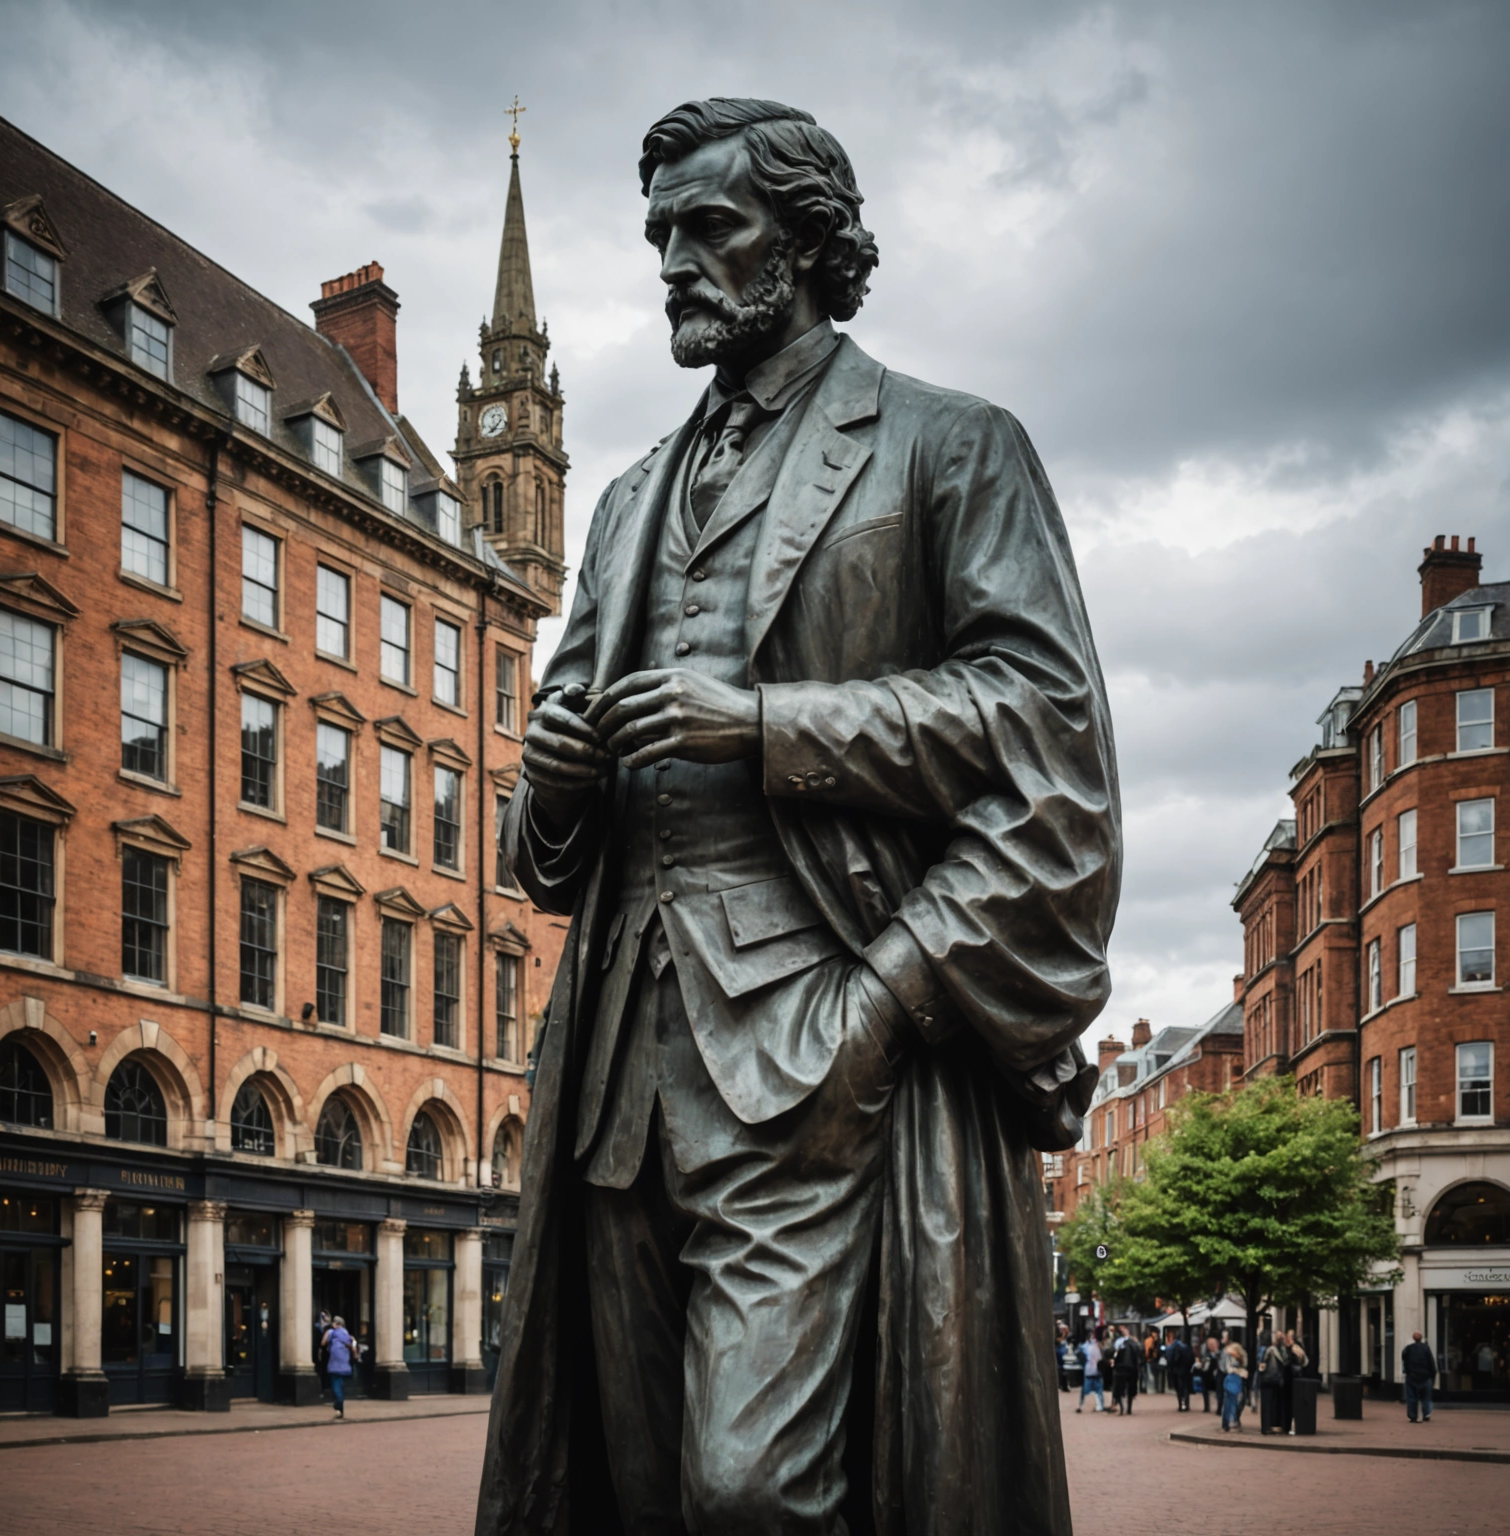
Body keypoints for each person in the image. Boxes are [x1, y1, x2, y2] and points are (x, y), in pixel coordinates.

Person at [476, 96, 1120, 1536]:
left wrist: (772, 738)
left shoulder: (951, 449)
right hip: (615, 1084)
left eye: (712, 227)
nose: (675, 263)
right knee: (638, 1494)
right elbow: (539, 859)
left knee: (750, 1493)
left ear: (812, 243)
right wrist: (560, 776)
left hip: (817, 1037)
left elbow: (1048, 744)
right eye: (660, 236)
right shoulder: (629, 500)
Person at [321, 1314, 356, 1420]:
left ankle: (339, 1406)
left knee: (336, 1385)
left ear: (336, 1324)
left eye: (334, 1323)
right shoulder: (347, 1334)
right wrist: (354, 1354)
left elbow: (323, 1343)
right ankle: (338, 1404)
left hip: (334, 1364)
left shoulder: (331, 1332)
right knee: (340, 1384)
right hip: (345, 1364)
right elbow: (353, 1344)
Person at [1401, 1330, 1436, 1423]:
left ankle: (1413, 1416)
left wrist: (1407, 1371)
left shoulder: (1408, 1348)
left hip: (1412, 1376)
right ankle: (1426, 1414)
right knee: (1426, 1397)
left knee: (1412, 1397)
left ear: (1413, 1338)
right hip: (1425, 1376)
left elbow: (1404, 1360)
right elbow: (1431, 1363)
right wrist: (1432, 1376)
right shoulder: (1426, 1348)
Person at [1113, 1327, 1143, 1416]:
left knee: (1119, 1388)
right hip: (1132, 1368)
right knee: (1130, 1389)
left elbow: (1116, 1355)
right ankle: (1128, 1408)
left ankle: (1123, 1407)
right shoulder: (1134, 1343)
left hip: (1122, 1369)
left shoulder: (1121, 1344)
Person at [1220, 1342, 1248, 1431]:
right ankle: (1230, 1422)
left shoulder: (1234, 1356)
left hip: (1233, 1380)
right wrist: (1239, 1371)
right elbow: (1228, 1369)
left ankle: (1227, 1422)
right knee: (1232, 1401)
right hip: (1233, 1379)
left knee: (1231, 1401)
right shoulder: (1228, 1355)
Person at [1166, 1330, 1194, 1411]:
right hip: (1186, 1370)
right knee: (1185, 1388)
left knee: (1179, 1389)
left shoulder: (1172, 1347)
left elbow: (1170, 1359)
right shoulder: (1186, 1346)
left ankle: (1181, 1405)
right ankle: (1186, 1405)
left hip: (1177, 1370)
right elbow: (1191, 1358)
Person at [1078, 1334, 1106, 1413]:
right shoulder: (1094, 1348)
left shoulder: (1085, 1347)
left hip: (1089, 1371)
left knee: (1087, 1389)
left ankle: (1082, 1405)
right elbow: (1100, 1359)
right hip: (1094, 1371)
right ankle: (1099, 1405)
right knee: (1097, 1389)